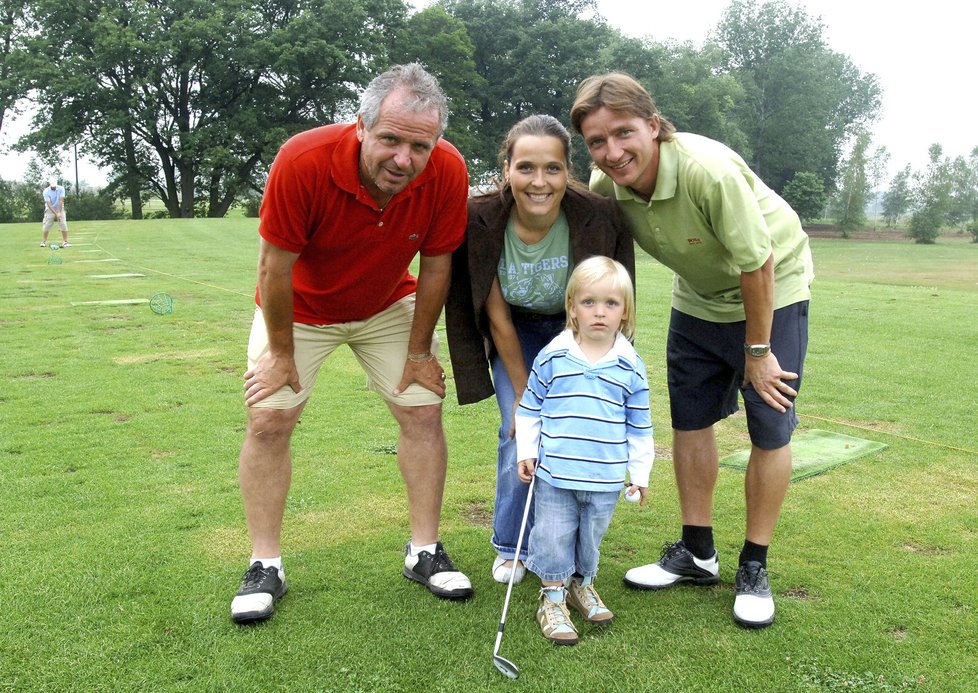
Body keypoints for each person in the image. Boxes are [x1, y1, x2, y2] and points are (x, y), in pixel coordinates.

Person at [230, 63, 473, 625]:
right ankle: (264, 564)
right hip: (300, 310)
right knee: (269, 420)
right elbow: (274, 267)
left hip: (387, 303)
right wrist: (282, 354)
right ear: (361, 126)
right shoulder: (303, 159)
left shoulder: (448, 169)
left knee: (422, 412)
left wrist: (419, 352)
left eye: (420, 145)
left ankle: (425, 551)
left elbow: (436, 268)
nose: (404, 159)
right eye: (390, 139)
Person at [571, 72, 814, 629]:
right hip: (699, 299)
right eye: (596, 142)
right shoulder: (606, 183)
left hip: (773, 291)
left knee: (769, 425)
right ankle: (697, 552)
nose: (612, 152)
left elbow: (758, 263)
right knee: (690, 422)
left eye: (624, 133)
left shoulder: (707, 172)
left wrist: (758, 350)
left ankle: (754, 565)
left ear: (653, 126)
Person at [444, 114, 634, 587]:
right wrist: (529, 397)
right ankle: (511, 545)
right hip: (516, 329)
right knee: (519, 431)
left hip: (577, 329)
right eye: (526, 167)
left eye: (552, 168)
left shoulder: (598, 215)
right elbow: (498, 318)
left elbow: (614, 297)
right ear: (506, 167)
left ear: (567, 171)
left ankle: (564, 541)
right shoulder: (481, 219)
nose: (539, 181)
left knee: (577, 430)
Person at [514, 256, 653, 645]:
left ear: (624, 311)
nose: (599, 312)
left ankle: (582, 583)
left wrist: (639, 475)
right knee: (554, 535)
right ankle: (553, 597)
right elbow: (530, 409)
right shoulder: (553, 356)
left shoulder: (631, 366)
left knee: (590, 538)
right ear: (572, 307)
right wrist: (527, 450)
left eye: (610, 303)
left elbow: (640, 427)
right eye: (589, 302)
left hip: (606, 476)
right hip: (556, 473)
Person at [41, 178, 70, 248]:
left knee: (63, 224)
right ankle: (44, 242)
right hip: (49, 209)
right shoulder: (46, 191)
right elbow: (49, 204)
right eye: (52, 186)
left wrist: (59, 212)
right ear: (50, 184)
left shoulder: (61, 189)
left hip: (60, 208)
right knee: (47, 225)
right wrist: (56, 214)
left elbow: (61, 201)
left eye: (54, 186)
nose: (53, 187)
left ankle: (65, 242)